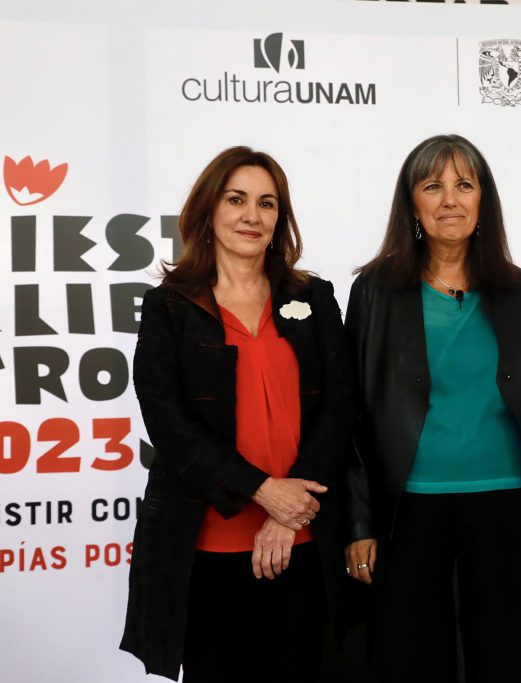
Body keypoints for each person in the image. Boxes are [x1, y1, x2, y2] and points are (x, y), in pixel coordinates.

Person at [120, 146, 354, 682]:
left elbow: (341, 407)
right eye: (237, 199)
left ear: (280, 219)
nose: (252, 215)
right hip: (206, 544)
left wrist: (285, 512)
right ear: (209, 211)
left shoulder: (313, 298)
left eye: (267, 203)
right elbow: (167, 423)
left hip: (304, 539)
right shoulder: (170, 307)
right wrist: (261, 491)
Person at [343, 134, 521, 682]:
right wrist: (359, 522)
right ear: (412, 203)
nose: (450, 199)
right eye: (433, 186)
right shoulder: (375, 292)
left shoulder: (517, 289)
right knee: (412, 664)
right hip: (408, 511)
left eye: (464, 184)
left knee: (500, 663)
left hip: (507, 507)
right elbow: (352, 416)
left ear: (484, 200)